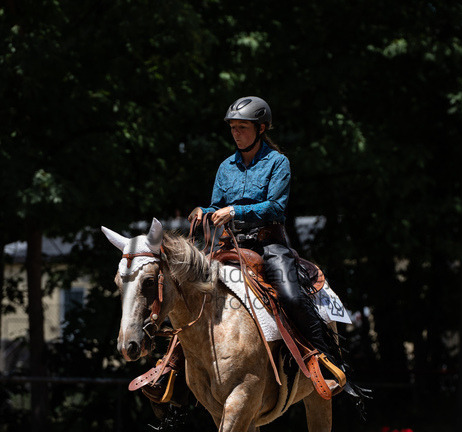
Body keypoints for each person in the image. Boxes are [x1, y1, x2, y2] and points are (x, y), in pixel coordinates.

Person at [143, 96, 347, 410]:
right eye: (233, 128)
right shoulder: (226, 166)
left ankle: (322, 360)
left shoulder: (278, 162)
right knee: (187, 291)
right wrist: (204, 210)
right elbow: (215, 205)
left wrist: (235, 211)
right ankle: (169, 369)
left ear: (261, 128)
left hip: (269, 245)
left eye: (242, 127)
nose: (236, 133)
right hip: (228, 247)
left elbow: (276, 207)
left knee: (291, 294)